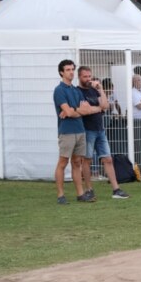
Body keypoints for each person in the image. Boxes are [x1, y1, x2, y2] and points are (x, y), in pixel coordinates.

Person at [76, 66, 130, 200]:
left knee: (108, 159)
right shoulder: (77, 92)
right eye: (85, 77)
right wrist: (97, 108)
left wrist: (100, 89)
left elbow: (105, 106)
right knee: (87, 160)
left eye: (90, 76)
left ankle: (116, 189)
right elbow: (84, 110)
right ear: (79, 77)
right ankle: (89, 189)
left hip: (100, 129)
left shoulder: (95, 90)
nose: (88, 79)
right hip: (87, 130)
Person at [53, 59, 94, 204]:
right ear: (61, 72)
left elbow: (87, 109)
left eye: (72, 69)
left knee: (77, 162)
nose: (71, 72)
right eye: (68, 70)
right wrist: (75, 111)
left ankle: (80, 194)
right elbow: (68, 112)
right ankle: (60, 195)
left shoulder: (76, 90)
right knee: (63, 162)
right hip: (67, 132)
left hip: (80, 130)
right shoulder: (59, 90)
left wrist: (73, 111)